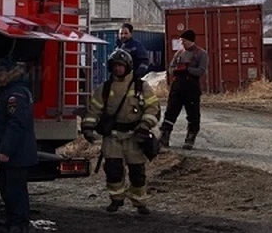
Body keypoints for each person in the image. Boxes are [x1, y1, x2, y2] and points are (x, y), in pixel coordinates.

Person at [81, 49, 161, 215]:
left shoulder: (141, 86)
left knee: (137, 173)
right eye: (115, 66)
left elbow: (153, 108)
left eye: (121, 65)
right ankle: (116, 199)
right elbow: (93, 110)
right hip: (112, 137)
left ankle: (139, 202)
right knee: (113, 170)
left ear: (128, 66)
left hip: (135, 136)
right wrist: (88, 128)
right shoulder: (104, 88)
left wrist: (145, 125)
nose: (118, 69)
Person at [0, 57, 39, 233]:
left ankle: (19, 225)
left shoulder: (15, 94)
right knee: (7, 188)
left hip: (17, 154)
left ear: (10, 74)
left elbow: (16, 125)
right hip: (14, 154)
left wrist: (5, 151)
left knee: (15, 190)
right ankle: (12, 222)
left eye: (0, 74)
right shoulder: (9, 91)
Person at [159, 29, 209, 150]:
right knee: (170, 112)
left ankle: (190, 138)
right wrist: (176, 70)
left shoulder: (202, 54)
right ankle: (164, 136)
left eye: (183, 41)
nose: (181, 43)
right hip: (177, 87)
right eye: (181, 41)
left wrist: (188, 70)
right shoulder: (179, 53)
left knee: (193, 114)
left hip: (191, 87)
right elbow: (170, 68)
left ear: (190, 40)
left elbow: (201, 71)